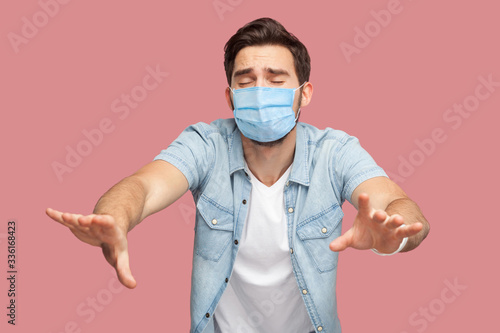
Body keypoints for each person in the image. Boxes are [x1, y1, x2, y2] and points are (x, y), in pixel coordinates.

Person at [46, 17, 430, 333]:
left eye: (276, 80)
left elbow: (398, 205)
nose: (260, 91)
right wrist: (116, 216)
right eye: (246, 81)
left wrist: (394, 235)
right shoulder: (206, 143)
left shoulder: (336, 151)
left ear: (305, 93)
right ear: (230, 96)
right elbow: (143, 186)